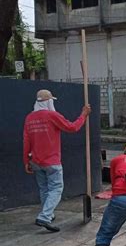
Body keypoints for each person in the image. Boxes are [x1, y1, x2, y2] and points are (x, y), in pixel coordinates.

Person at [23, 89, 91, 233]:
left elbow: (26, 141)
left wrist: (26, 161)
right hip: (51, 161)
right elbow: (72, 127)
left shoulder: (29, 118)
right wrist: (83, 115)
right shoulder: (52, 115)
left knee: (44, 189)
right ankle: (45, 216)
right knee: (56, 188)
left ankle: (48, 213)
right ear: (49, 102)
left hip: (35, 161)